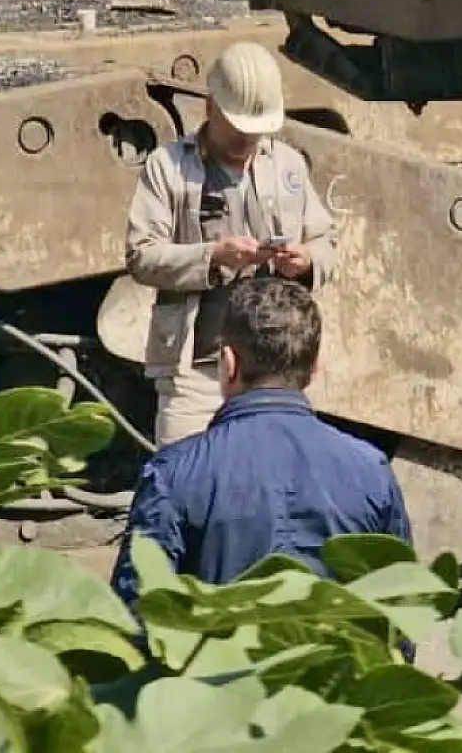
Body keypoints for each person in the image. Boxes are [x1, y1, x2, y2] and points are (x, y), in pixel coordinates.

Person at [109, 277, 411, 607]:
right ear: (314, 368)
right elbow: (402, 607)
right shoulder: (371, 471)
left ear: (228, 363)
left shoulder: (173, 474)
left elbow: (138, 610)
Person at [125, 41, 340, 446]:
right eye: (237, 126)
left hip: (278, 372)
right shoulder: (168, 167)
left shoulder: (288, 165)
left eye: (255, 130)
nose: (246, 138)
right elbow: (141, 255)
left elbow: (326, 241)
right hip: (197, 371)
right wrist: (213, 257)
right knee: (185, 472)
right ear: (210, 107)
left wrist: (307, 261)